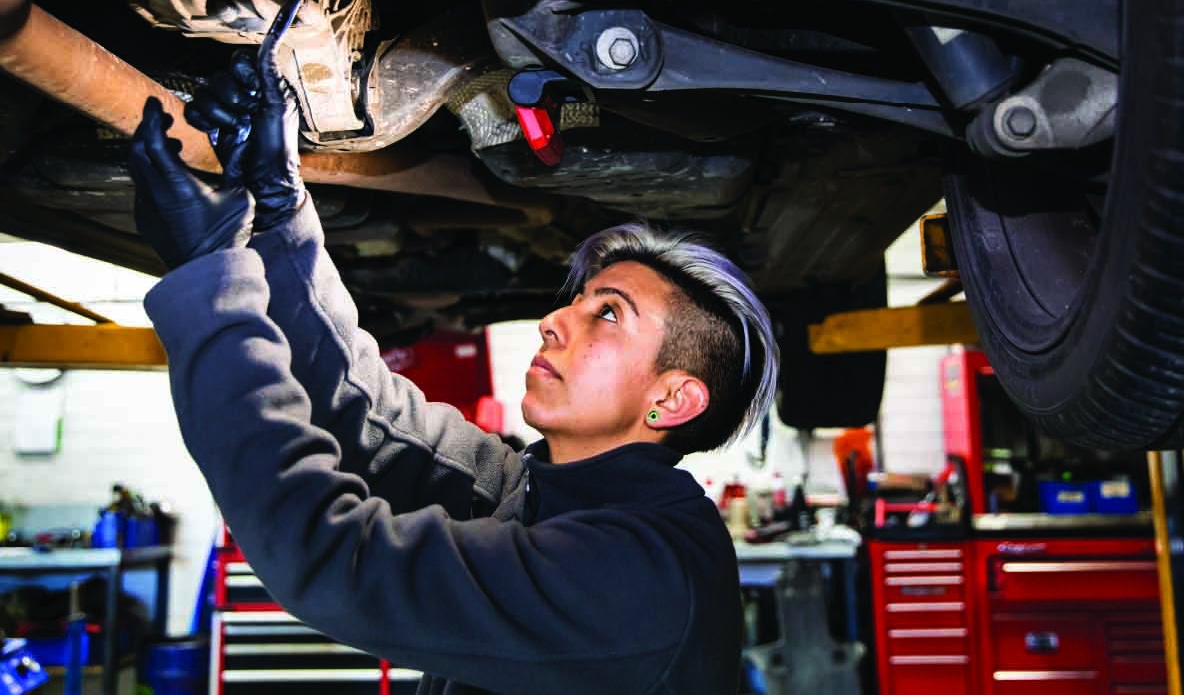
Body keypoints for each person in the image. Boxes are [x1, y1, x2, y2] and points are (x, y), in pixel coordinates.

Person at [128, 52, 780, 694]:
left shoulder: (639, 576)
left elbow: (333, 558)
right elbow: (365, 411)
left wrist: (212, 276)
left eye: (608, 315)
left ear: (673, 399)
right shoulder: (542, 492)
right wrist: (277, 210)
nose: (555, 320)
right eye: (577, 301)